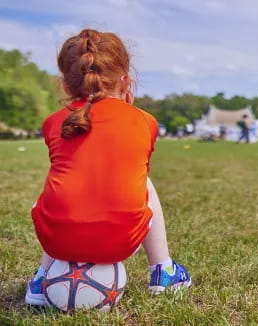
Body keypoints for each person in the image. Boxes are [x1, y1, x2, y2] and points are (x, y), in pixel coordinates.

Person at [25, 29, 191, 306]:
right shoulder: (145, 121)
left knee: (61, 184)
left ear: (65, 85)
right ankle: (164, 270)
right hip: (120, 240)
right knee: (143, 183)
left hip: (56, 241)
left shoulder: (53, 122)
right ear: (124, 80)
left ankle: (42, 279)